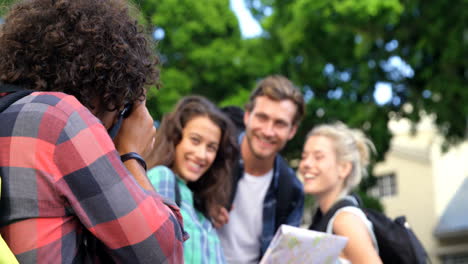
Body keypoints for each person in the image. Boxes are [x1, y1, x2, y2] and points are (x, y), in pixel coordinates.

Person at [0, 0, 186, 263]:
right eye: (120, 107)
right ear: (105, 88)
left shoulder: (10, 109)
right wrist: (131, 155)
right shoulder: (60, 118)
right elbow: (164, 253)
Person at [213, 75, 306, 263]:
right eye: (262, 118)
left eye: (280, 123)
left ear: (292, 131)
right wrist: (202, 207)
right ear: (247, 116)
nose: (268, 131)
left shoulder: (292, 191)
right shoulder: (213, 157)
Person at [147, 96, 238, 263]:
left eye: (211, 147)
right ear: (176, 138)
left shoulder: (201, 208)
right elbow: (157, 251)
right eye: (195, 140)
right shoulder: (163, 177)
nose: (201, 155)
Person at [298, 122, 382, 264]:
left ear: (343, 168)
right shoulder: (321, 217)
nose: (306, 164)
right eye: (304, 156)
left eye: (318, 157)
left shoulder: (345, 220)